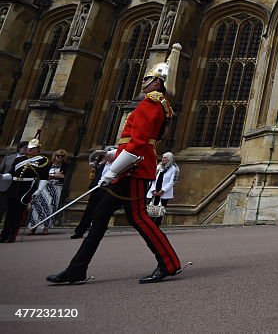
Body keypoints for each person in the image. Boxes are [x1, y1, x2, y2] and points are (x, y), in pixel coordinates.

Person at [47, 44, 184, 285]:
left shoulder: (150, 104)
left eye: (148, 79)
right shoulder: (157, 104)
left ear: (157, 82)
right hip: (130, 166)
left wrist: (112, 170)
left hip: (132, 171)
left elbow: (139, 143)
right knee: (100, 217)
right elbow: (135, 142)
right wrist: (112, 154)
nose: (144, 82)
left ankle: (169, 262)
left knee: (139, 217)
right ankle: (77, 268)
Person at [1, 139, 48, 242]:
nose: (29, 150)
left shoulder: (42, 160)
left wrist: (39, 190)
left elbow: (44, 176)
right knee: (10, 212)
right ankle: (4, 234)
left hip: (27, 187)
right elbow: (11, 174)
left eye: (32, 149)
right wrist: (2, 176)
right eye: (29, 148)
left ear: (38, 149)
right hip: (14, 186)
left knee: (19, 213)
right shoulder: (19, 160)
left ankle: (12, 235)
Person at [71, 149, 114, 239]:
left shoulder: (116, 166)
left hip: (107, 191)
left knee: (102, 212)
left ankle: (96, 231)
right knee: (89, 211)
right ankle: (79, 231)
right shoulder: (101, 165)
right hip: (97, 190)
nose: (107, 156)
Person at [29, 148, 68, 234]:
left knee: (51, 206)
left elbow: (63, 176)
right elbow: (44, 175)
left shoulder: (65, 166)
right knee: (38, 205)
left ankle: (46, 228)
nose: (60, 157)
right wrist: (56, 175)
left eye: (62, 156)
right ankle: (33, 227)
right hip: (44, 187)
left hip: (56, 188)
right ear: (55, 156)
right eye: (58, 156)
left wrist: (52, 175)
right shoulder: (48, 164)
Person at [147, 152, 179, 227]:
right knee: (152, 207)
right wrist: (153, 190)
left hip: (164, 192)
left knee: (161, 208)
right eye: (163, 157)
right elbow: (153, 178)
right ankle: (150, 224)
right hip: (155, 190)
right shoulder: (159, 167)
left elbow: (172, 182)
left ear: (169, 159)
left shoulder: (173, 169)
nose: (163, 159)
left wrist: (163, 190)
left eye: (165, 158)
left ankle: (157, 224)